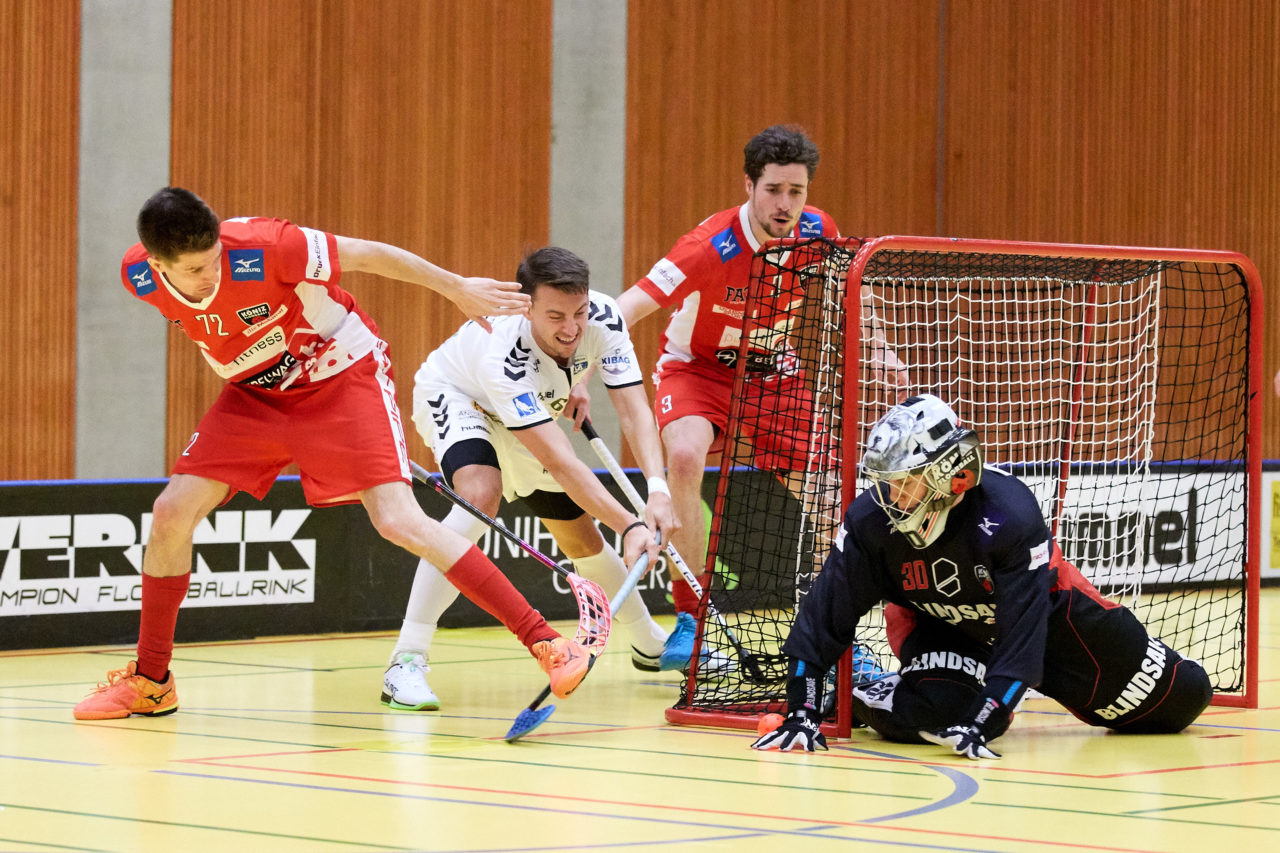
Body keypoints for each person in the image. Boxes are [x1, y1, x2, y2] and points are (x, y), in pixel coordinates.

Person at [73, 187, 590, 720]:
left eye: (213, 262)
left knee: (399, 521)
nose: (210, 277)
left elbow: (369, 254)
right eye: (194, 270)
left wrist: (454, 287)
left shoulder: (270, 245)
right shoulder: (136, 276)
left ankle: (547, 643)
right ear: (157, 264)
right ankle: (151, 680)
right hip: (253, 396)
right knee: (170, 514)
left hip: (341, 376)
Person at [750, 394, 1214, 758]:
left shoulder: (1009, 513)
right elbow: (823, 617)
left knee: (1181, 700)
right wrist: (801, 712)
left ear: (948, 474)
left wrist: (986, 720)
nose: (890, 496)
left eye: (904, 481)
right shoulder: (869, 520)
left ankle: (979, 701)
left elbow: (1024, 634)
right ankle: (861, 691)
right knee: (933, 714)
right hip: (939, 621)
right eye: (885, 481)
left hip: (1050, 616)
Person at [617, 124, 893, 674]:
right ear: (749, 185)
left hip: (776, 378)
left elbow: (849, 293)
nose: (785, 204)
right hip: (698, 373)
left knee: (827, 493)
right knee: (686, 457)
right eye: (773, 190)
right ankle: (692, 621)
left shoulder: (818, 231)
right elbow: (621, 311)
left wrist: (882, 347)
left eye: (797, 191)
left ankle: (835, 634)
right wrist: (578, 370)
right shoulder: (707, 246)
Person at [380, 246, 674, 710]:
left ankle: (647, 642)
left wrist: (656, 492)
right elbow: (561, 462)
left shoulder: (605, 318)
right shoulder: (504, 354)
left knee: (580, 535)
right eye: (555, 316)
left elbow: (635, 409)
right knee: (480, 495)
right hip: (461, 398)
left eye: (578, 312)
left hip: (526, 412)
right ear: (526, 306)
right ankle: (407, 660)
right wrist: (631, 524)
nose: (572, 328)